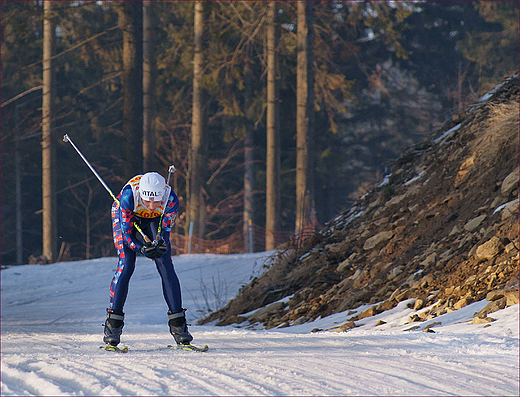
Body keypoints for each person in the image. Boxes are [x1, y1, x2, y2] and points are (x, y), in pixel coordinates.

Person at [103, 172, 193, 347]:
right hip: (127, 215)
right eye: (147, 201)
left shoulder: (171, 199)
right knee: (127, 264)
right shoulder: (129, 196)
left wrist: (159, 245)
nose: (151, 206)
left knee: (165, 263)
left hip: (154, 221)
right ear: (141, 195)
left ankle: (179, 327)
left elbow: (164, 234)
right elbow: (127, 236)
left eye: (156, 201)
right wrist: (142, 249)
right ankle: (113, 327)